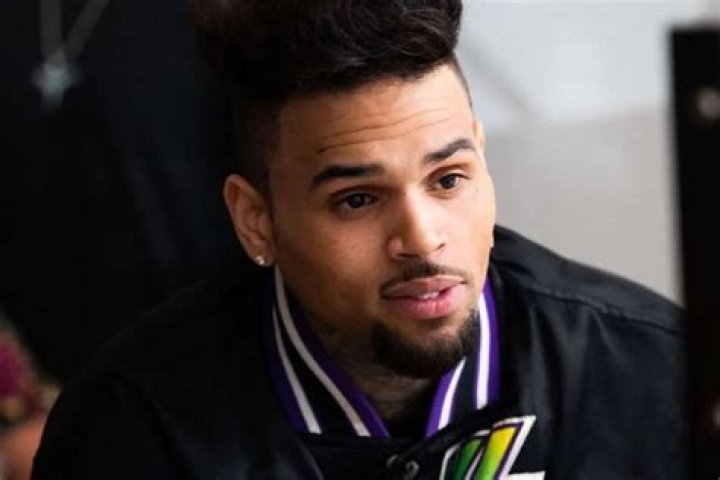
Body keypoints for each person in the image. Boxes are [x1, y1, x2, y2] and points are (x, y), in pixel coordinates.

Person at [31, 1, 687, 478]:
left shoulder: (651, 375)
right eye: (357, 200)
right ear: (256, 220)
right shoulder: (133, 432)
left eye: (448, 179)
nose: (422, 239)